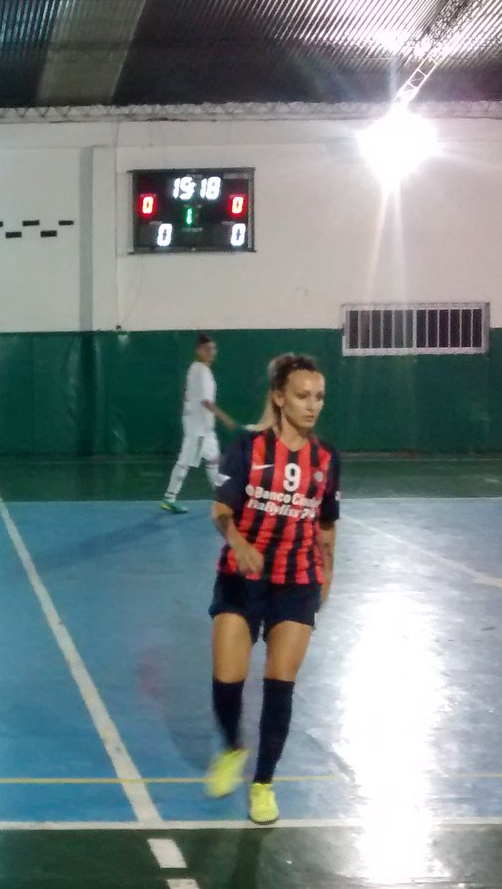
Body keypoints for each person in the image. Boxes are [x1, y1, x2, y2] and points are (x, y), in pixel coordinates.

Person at [203, 353, 340, 825]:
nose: (312, 405)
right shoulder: (248, 449)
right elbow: (221, 510)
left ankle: (263, 784)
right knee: (227, 679)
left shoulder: (326, 459)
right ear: (279, 397)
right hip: (241, 577)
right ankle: (232, 747)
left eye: (319, 397)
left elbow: (326, 525)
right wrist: (239, 542)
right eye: (302, 396)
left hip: (296, 582)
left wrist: (327, 576)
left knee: (280, 684)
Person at [161, 334, 236, 514]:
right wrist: (226, 419)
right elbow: (206, 402)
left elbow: (189, 395)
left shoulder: (198, 369)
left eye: (213, 348)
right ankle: (169, 498)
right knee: (185, 462)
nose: (212, 352)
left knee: (213, 461)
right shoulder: (200, 371)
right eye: (207, 349)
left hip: (204, 427)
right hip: (198, 429)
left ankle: (223, 498)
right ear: (198, 350)